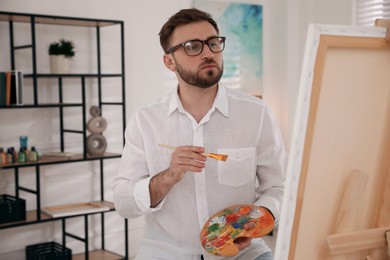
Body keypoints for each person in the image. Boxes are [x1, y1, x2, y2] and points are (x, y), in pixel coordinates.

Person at [112, 8, 287, 260]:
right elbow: (123, 202)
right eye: (193, 46)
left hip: (243, 254)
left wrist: (258, 219)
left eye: (213, 43)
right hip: (166, 252)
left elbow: (279, 186)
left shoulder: (257, 113)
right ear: (169, 62)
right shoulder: (145, 120)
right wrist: (167, 177)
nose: (208, 53)